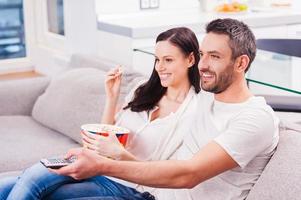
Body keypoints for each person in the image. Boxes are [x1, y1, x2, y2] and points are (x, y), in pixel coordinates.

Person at [49, 18, 279, 200]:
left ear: (241, 63)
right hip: (151, 193)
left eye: (215, 57)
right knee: (34, 187)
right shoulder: (205, 99)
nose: (203, 65)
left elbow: (189, 174)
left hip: (150, 192)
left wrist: (102, 165)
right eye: (202, 55)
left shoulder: (255, 119)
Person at [0, 27, 201, 200]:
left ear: (191, 59)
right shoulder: (143, 90)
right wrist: (111, 98)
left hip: (132, 186)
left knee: (41, 190)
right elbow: (106, 137)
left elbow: (168, 174)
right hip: (98, 166)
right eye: (157, 59)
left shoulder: (192, 113)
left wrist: (121, 155)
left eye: (168, 60)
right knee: (17, 183)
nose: (160, 68)